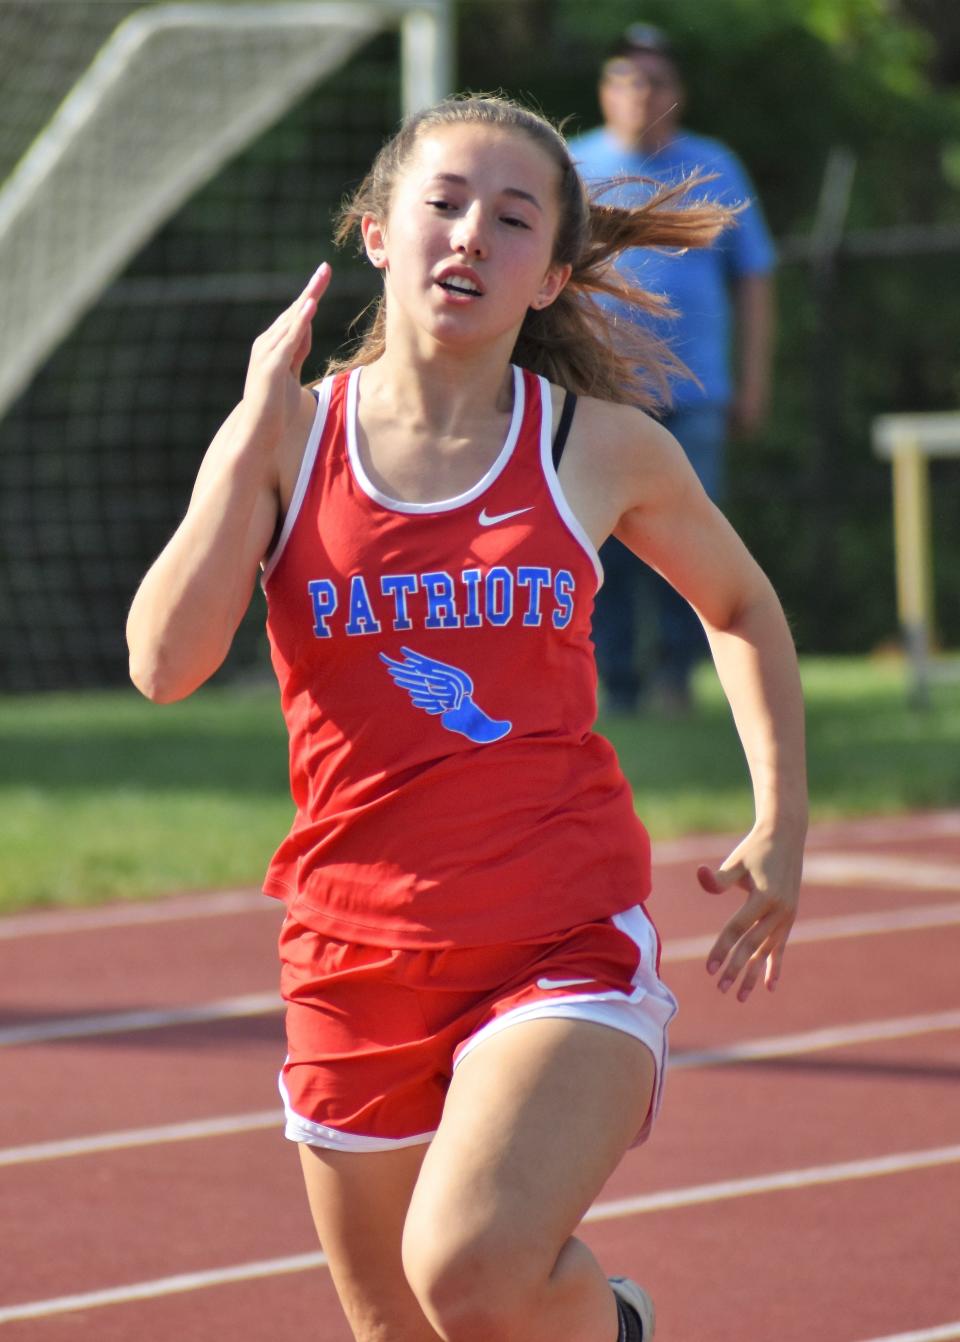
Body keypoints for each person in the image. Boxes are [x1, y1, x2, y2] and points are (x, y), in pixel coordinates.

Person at [126, 93, 806, 1342]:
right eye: (443, 204)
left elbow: (743, 606)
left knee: (472, 1273)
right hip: (352, 950)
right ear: (378, 232)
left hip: (558, 934)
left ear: (551, 275)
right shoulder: (287, 438)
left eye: (511, 219)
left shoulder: (596, 448)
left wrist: (782, 819)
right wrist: (242, 444)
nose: (469, 238)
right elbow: (164, 664)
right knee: (408, 1330)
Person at [570, 24, 777, 714]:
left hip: (693, 395)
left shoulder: (712, 166)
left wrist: (752, 381)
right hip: (599, 394)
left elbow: (755, 278)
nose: (640, 93)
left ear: (677, 94)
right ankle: (617, 685)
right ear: (605, 90)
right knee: (603, 546)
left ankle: (678, 682)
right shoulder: (572, 164)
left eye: (654, 80)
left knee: (691, 547)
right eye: (626, 78)